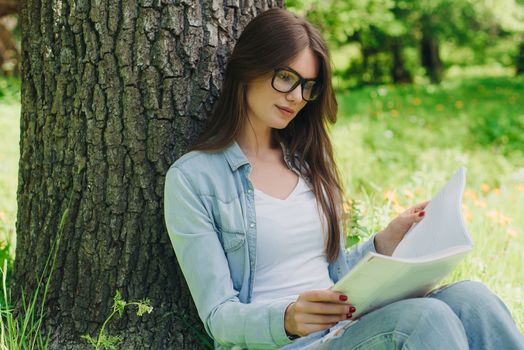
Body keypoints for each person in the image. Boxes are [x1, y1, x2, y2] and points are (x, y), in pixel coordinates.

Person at [164, 8, 524, 350]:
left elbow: (333, 279)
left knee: (473, 298)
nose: (296, 97)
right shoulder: (194, 179)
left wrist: (384, 244)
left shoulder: (306, 164)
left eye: (309, 86)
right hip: (284, 342)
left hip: (343, 331)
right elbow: (218, 315)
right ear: (248, 67)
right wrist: (287, 318)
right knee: (421, 318)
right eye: (286, 77)